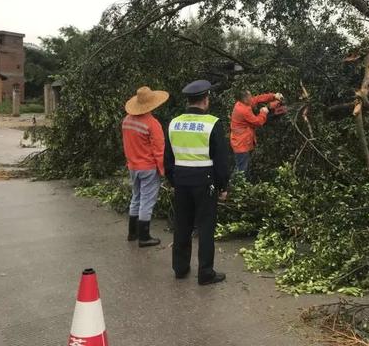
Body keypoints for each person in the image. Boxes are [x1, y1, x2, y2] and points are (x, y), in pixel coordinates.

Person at [165, 79, 230, 285]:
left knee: (182, 224)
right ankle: (205, 272)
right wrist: (223, 185)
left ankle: (180, 268)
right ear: (205, 99)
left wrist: (172, 180)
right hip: (205, 181)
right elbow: (221, 159)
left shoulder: (174, 123)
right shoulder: (212, 123)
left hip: (181, 180)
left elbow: (167, 157)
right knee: (206, 226)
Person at [121, 86, 169, 247]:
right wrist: (163, 170)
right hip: (148, 167)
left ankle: (132, 233)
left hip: (133, 166)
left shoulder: (127, 120)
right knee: (147, 201)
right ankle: (144, 236)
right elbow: (159, 150)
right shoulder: (152, 124)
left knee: (136, 197)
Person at [230, 90, 283, 175]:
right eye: (250, 96)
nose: (252, 98)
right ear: (245, 99)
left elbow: (257, 99)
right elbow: (258, 122)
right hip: (241, 144)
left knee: (241, 166)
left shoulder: (243, 103)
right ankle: (237, 186)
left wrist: (273, 96)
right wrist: (264, 112)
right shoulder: (243, 110)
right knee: (241, 171)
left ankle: (237, 185)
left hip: (241, 142)